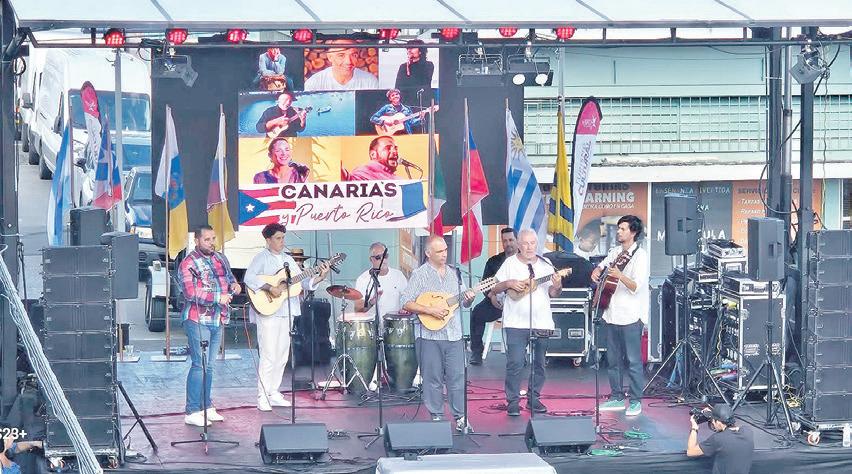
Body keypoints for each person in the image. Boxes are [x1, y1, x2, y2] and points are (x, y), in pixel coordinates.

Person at [244, 223, 330, 411]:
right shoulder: (261, 258)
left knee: (282, 354)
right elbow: (249, 278)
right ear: (268, 240)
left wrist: (320, 277)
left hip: (286, 311)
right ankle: (262, 395)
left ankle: (273, 392)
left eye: (283, 238)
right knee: (268, 354)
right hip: (268, 312)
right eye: (278, 238)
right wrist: (270, 287)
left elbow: (303, 282)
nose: (282, 241)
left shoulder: (288, 260)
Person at [401, 235, 475, 431]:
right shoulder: (420, 274)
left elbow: (464, 303)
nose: (444, 254)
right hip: (428, 335)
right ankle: (436, 416)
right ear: (428, 253)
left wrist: (469, 298)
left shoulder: (455, 274)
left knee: (457, 377)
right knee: (432, 378)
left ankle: (460, 417)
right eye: (439, 251)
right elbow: (406, 301)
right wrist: (430, 310)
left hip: (454, 334)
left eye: (445, 250)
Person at [490, 229, 562, 416]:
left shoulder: (546, 264)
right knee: (515, 363)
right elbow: (494, 288)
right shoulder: (510, 263)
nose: (529, 247)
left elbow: (553, 293)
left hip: (542, 321)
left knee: (539, 364)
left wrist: (557, 285)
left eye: (532, 243)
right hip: (516, 322)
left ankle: (534, 399)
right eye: (525, 243)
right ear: (519, 245)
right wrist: (508, 283)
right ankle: (513, 401)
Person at [178, 225, 242, 427]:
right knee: (199, 364)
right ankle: (192, 410)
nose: (212, 243)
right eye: (207, 239)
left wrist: (235, 285)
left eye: (213, 238)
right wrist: (217, 297)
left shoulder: (220, 258)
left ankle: (206, 406)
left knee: (210, 366)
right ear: (196, 241)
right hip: (198, 319)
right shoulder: (188, 263)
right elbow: (190, 293)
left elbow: (230, 278)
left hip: (218, 318)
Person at [592, 215, 649, 417]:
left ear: (633, 232)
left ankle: (635, 400)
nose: (619, 232)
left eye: (623, 229)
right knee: (613, 360)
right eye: (618, 228)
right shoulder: (615, 252)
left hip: (631, 316)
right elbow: (602, 265)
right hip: (611, 314)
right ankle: (616, 396)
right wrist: (597, 270)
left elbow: (636, 286)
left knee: (633, 361)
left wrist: (620, 276)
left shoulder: (640, 256)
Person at [469, 228, 518, 366]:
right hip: (497, 303)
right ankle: (476, 352)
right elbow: (485, 284)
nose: (508, 243)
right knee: (477, 313)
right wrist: (491, 296)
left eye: (511, 240)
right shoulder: (494, 261)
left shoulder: (525, 261)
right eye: (505, 241)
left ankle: (519, 355)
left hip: (518, 304)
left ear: (517, 240)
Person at [687, 404, 754, 474]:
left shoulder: (718, 439)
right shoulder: (748, 431)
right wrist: (715, 413)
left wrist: (694, 428)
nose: (712, 423)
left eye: (713, 421)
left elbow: (690, 452)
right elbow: (733, 428)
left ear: (718, 422)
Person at [354, 242, 408, 318]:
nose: (383, 260)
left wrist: (405, 309)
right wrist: (371, 302)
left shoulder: (398, 275)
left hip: (395, 323)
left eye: (385, 256)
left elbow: (407, 299)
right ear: (371, 259)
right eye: (378, 257)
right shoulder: (363, 279)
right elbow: (357, 310)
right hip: (372, 324)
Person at [304, 39, 379, 91]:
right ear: (330, 57)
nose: (348, 61)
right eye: (341, 55)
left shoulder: (369, 81)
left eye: (354, 55)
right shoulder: (315, 83)